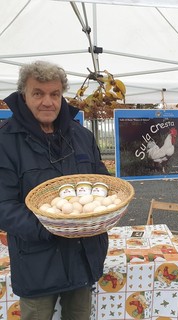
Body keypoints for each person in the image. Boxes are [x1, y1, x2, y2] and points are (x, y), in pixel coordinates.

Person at [0, 60, 110, 320]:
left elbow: (102, 182)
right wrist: (52, 228)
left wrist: (103, 209)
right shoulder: (5, 141)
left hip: (84, 256)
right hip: (37, 263)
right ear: (24, 95)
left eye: (54, 94)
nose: (47, 102)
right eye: (38, 93)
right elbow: (3, 205)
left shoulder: (81, 136)